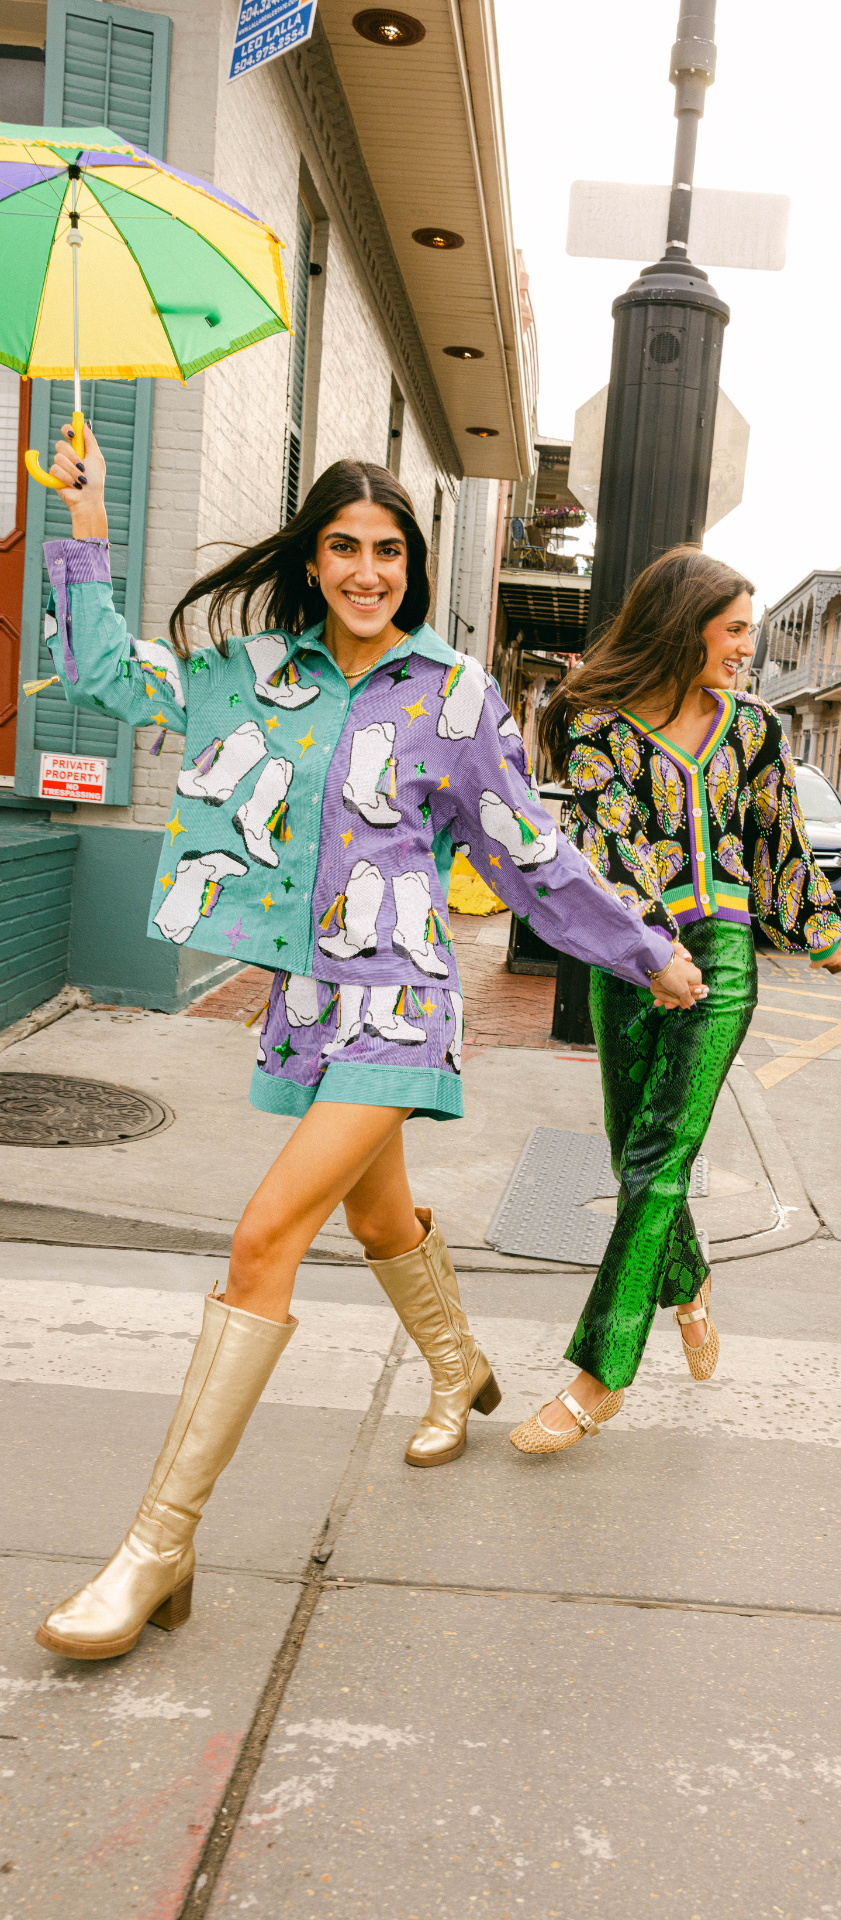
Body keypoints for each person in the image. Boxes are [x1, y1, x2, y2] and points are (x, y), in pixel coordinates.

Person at [34, 426, 706, 1661]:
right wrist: (85, 520)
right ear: (313, 559)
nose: (366, 571)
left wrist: (642, 949)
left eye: (388, 551)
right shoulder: (250, 673)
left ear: (413, 566)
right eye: (343, 547)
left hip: (402, 998)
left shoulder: (454, 693)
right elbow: (102, 676)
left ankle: (157, 1548)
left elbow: (526, 849)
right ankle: (459, 1370)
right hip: (305, 1002)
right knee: (376, 1213)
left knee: (264, 1237)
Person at [508, 547, 841, 1455]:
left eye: (750, 632)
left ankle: (600, 1374)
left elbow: (777, 837)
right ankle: (688, 1281)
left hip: (724, 955)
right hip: (630, 952)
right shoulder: (596, 723)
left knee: (662, 1153)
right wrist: (653, 949)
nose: (747, 648)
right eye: (734, 629)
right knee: (631, 1145)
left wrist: (818, 926)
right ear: (681, 624)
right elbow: (609, 847)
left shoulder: (755, 727)